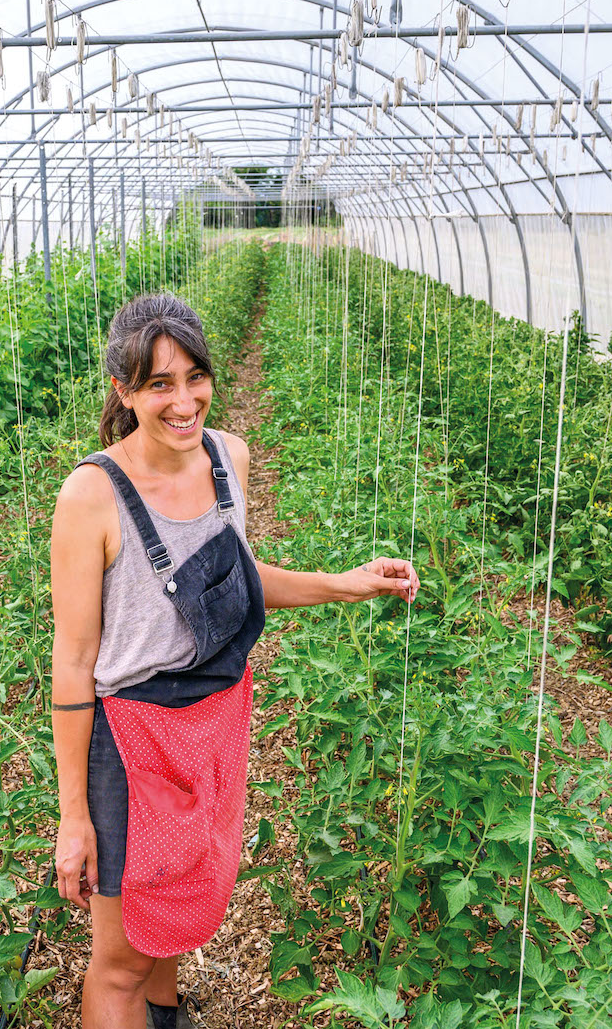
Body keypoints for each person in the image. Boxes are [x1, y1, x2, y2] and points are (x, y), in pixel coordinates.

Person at [49, 293, 420, 1029]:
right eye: (159, 384)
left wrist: (345, 583)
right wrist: (73, 816)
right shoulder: (91, 496)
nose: (183, 401)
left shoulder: (228, 458)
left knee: (179, 888)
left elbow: (236, 582)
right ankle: (136, 1004)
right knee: (118, 961)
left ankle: (166, 1010)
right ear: (123, 391)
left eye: (194, 376)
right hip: (131, 740)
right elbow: (73, 662)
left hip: (215, 717)